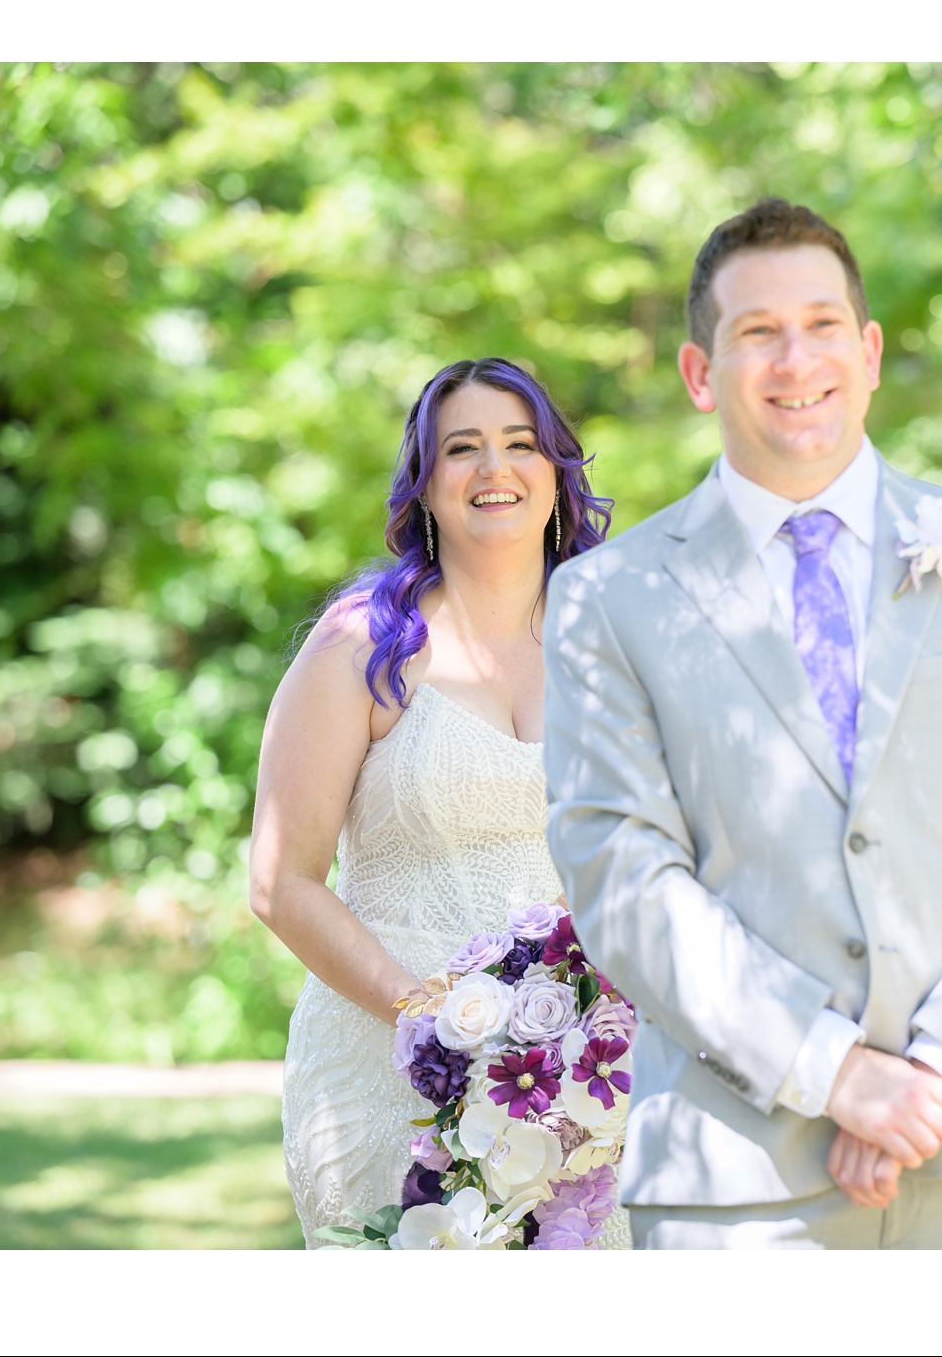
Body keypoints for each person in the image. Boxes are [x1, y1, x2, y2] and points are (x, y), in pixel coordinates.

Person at [543, 199, 942, 1248]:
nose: (793, 357)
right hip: (737, 1180)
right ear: (700, 373)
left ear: (870, 350)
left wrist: (937, 1072)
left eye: (820, 324)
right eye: (755, 332)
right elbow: (621, 870)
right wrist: (834, 1072)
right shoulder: (604, 597)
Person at [249, 357, 627, 1248]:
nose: (494, 469)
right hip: (386, 1076)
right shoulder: (363, 645)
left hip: (580, 1078)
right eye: (463, 449)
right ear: (424, 485)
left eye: (519, 444)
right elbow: (281, 882)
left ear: (557, 473)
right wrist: (431, 1024)